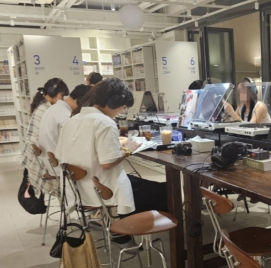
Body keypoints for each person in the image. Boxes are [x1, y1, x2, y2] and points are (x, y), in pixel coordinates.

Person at [56, 78, 167, 216]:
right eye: (123, 107)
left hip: (81, 189)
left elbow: (62, 153)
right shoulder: (105, 123)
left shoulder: (72, 121)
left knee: (144, 184)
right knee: (165, 191)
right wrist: (128, 150)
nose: (121, 111)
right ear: (114, 102)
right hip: (104, 191)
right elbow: (107, 163)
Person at [20, 79, 64, 197]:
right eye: (62, 95)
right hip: (46, 162)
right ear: (54, 93)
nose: (63, 99)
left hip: (41, 158)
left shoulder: (42, 106)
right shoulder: (47, 109)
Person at [39, 84, 90, 157]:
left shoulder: (53, 108)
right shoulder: (65, 115)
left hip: (51, 161)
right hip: (61, 163)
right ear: (80, 101)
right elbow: (73, 145)